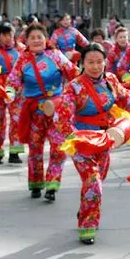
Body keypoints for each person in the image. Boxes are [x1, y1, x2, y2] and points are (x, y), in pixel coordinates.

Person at [57, 43, 130, 245]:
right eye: (90, 62)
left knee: (96, 182)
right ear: (82, 63)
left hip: (105, 139)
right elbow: (62, 117)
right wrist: (73, 138)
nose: (95, 66)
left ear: (105, 62)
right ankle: (88, 227)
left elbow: (127, 100)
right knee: (94, 183)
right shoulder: (74, 87)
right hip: (82, 142)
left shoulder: (111, 81)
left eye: (99, 61)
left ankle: (86, 208)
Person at [6, 23, 77, 201]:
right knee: (35, 149)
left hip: (57, 110)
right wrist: (9, 92)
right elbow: (12, 81)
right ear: (27, 41)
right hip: (34, 112)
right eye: (32, 38)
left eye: (40, 37)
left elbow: (74, 74)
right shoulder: (22, 60)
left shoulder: (56, 55)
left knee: (58, 147)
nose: (37, 40)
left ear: (46, 39)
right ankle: (36, 183)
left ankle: (52, 183)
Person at [0, 23, 25, 164]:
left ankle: (14, 152)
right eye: (4, 35)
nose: (8, 38)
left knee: (16, 119)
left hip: (16, 88)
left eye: (10, 34)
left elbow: (26, 68)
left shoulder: (21, 50)